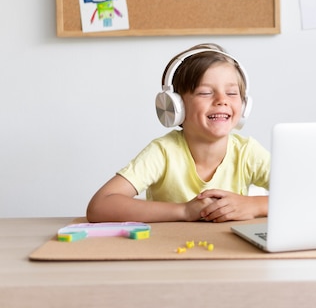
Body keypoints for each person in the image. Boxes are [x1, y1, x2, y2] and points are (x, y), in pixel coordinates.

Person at [86, 43, 270, 223]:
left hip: (227, 251)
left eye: (231, 93)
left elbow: (298, 194)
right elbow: (99, 206)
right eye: (205, 93)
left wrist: (254, 205)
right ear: (176, 107)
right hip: (169, 249)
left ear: (244, 105)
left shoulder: (248, 152)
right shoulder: (163, 152)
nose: (222, 100)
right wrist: (184, 211)